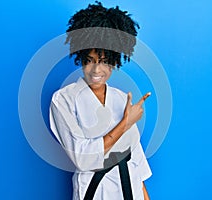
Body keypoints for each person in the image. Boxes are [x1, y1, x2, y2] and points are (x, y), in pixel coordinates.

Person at [49, 2, 152, 199]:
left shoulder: (122, 99)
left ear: (115, 61)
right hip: (95, 192)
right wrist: (126, 123)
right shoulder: (63, 100)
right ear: (80, 57)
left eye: (105, 61)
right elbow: (82, 158)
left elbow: (136, 162)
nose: (96, 70)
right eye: (89, 60)